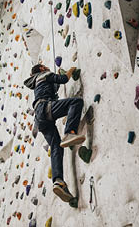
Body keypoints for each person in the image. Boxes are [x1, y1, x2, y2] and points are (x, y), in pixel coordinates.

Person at [24, 64, 86, 202]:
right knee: (76, 103)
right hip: (45, 107)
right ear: (41, 69)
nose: (47, 67)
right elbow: (63, 79)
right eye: (45, 66)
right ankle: (70, 132)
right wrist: (70, 71)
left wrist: (57, 78)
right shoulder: (44, 75)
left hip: (40, 120)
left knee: (56, 147)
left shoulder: (38, 82)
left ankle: (59, 181)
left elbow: (54, 86)